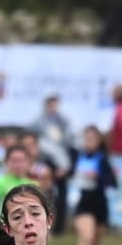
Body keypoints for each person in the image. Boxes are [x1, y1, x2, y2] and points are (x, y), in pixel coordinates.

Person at [69, 125, 117, 245]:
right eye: (86, 138)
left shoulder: (102, 159)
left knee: (94, 240)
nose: (88, 142)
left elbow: (113, 182)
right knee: (86, 238)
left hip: (100, 205)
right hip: (83, 204)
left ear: (98, 141)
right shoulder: (76, 156)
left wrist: (98, 177)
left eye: (92, 139)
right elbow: (68, 173)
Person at [33, 93, 76, 235]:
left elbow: (70, 143)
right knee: (45, 195)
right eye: (51, 103)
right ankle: (44, 223)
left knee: (62, 196)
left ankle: (59, 228)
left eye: (55, 103)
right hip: (46, 164)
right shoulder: (38, 122)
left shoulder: (64, 122)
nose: (53, 107)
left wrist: (65, 168)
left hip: (62, 165)